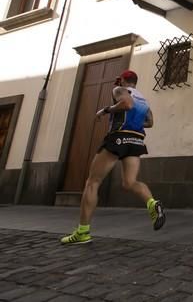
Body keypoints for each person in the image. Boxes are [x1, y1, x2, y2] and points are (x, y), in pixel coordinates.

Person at [60, 70, 165, 244]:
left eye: (120, 81)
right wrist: (135, 123)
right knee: (130, 182)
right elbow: (150, 122)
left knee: (92, 182)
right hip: (136, 140)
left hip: (118, 137)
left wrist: (105, 110)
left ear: (123, 80)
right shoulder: (143, 98)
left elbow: (127, 104)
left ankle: (82, 232)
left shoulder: (119, 90)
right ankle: (153, 204)